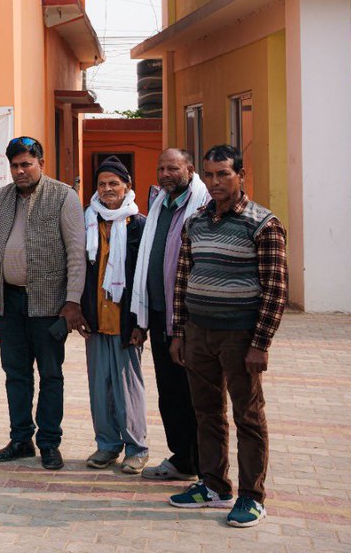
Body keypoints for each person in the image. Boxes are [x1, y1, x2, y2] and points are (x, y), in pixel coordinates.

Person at [167, 145, 286, 529]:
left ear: (241, 175)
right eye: (210, 175)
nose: (216, 182)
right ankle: (214, 485)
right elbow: (183, 281)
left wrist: (259, 344)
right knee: (206, 413)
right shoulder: (197, 222)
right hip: (199, 334)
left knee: (248, 417)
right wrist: (180, 333)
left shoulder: (262, 224)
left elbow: (275, 291)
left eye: (224, 174)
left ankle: (252, 497)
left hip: (239, 337)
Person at [0, 136, 86, 471]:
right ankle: (21, 439)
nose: (20, 171)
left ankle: (49, 443)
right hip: (10, 302)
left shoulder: (63, 196)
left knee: (51, 375)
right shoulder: (1, 197)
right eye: (15, 165)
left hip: (50, 305)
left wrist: (72, 302)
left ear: (41, 162)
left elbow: (76, 253)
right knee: (16, 374)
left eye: (26, 164)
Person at [134, 148, 209, 482]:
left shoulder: (202, 207)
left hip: (190, 319)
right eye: (161, 168)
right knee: (169, 393)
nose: (165, 174)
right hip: (160, 314)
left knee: (196, 394)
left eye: (173, 168)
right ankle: (182, 458)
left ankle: (203, 462)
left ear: (189, 169)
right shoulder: (160, 203)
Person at [79, 156, 148, 474]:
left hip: (125, 321)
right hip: (96, 319)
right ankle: (107, 446)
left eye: (114, 184)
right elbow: (78, 269)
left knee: (128, 386)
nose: (108, 190)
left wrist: (140, 322)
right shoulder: (87, 222)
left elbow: (146, 276)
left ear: (127, 186)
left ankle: (136, 448)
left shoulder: (139, 224)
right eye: (102, 184)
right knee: (99, 385)